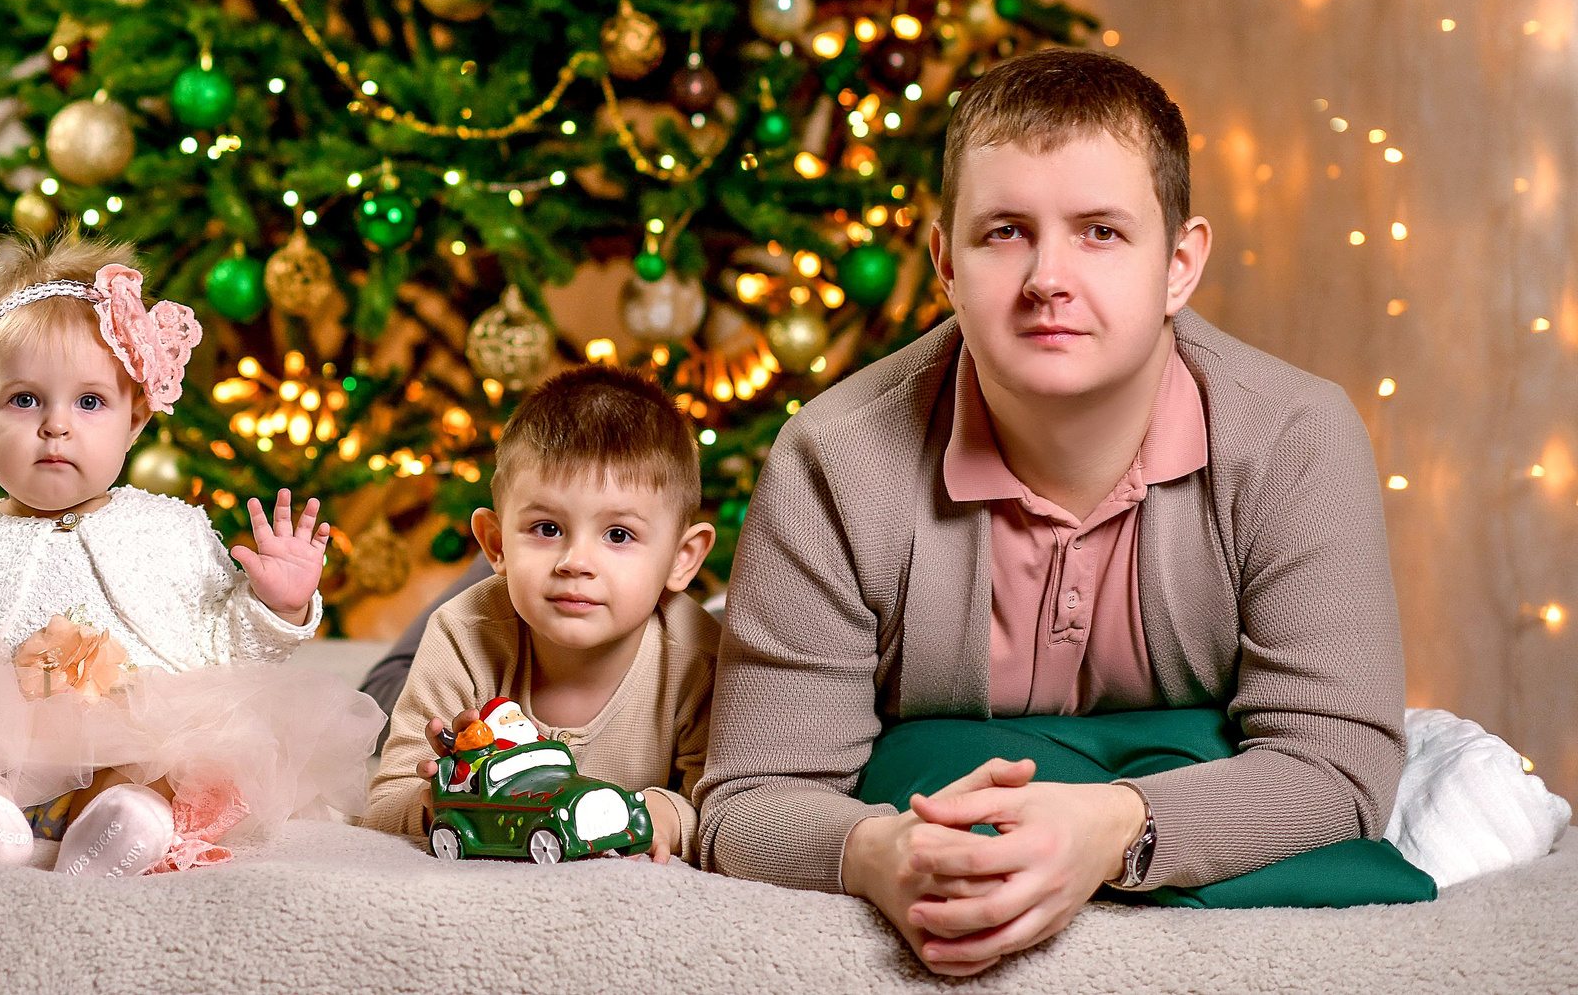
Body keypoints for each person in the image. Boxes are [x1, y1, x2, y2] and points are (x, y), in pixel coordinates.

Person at [696, 49, 1406, 974]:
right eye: (1004, 232)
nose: (1047, 278)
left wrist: (1117, 824)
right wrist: (882, 851)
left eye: (1101, 231)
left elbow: (1340, 768)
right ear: (945, 261)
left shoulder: (1296, 439)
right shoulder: (835, 459)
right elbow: (751, 796)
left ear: (1180, 263)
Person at [0, 231, 384, 876]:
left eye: (89, 402)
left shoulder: (171, 527)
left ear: (136, 421)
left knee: (181, 766)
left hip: (136, 736)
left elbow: (226, 649)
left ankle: (122, 821)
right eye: (24, 399)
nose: (56, 425)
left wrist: (277, 607)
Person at [363, 367, 720, 863]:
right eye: (547, 527)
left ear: (682, 559)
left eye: (618, 535)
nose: (575, 562)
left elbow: (729, 807)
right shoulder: (463, 633)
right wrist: (435, 801)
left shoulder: (698, 658)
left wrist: (668, 815)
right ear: (495, 543)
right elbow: (384, 800)